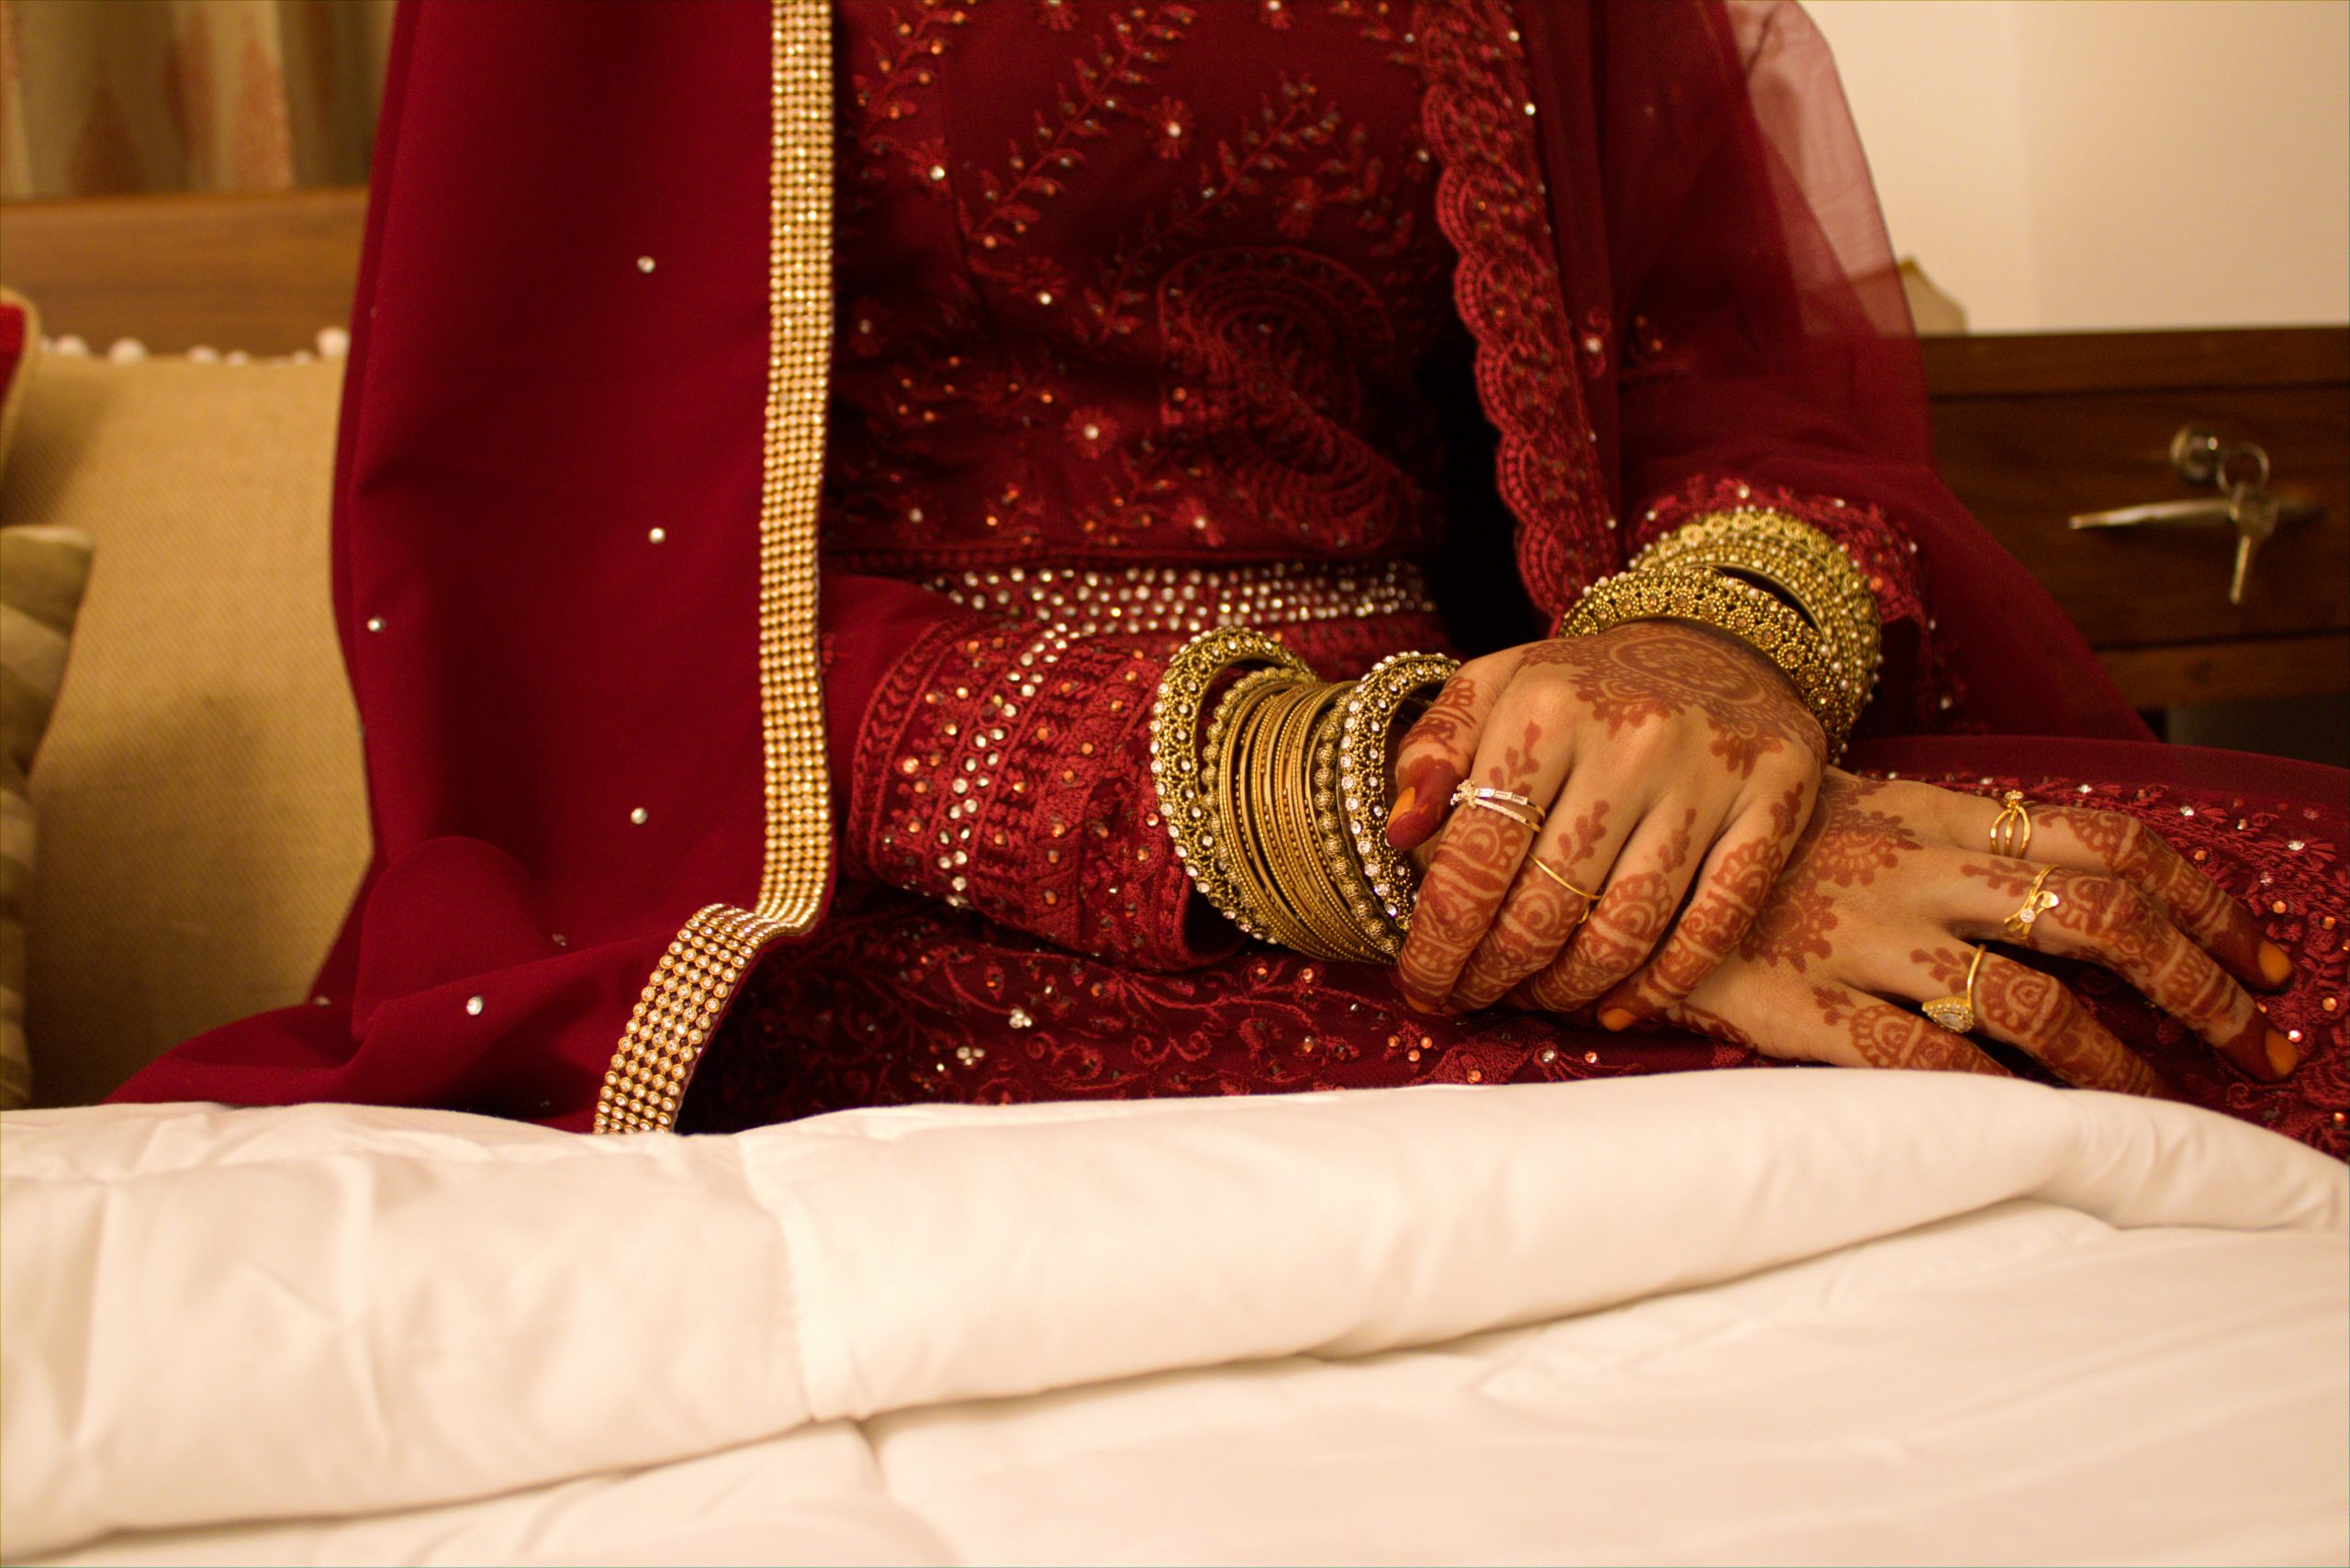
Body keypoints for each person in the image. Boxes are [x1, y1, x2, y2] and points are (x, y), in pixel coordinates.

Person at [114, 0, 2346, 1155]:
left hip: (1562, 774)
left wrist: (1696, 658)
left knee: (2257, 944)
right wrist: (1393, 823)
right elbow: (611, 603)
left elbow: (1692, 360)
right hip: (921, 893)